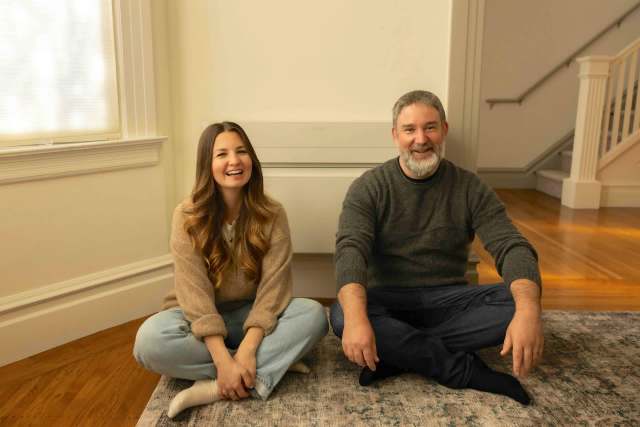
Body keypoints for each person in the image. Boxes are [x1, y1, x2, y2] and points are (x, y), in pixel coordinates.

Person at [330, 90, 543, 405]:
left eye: (429, 127)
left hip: (451, 301)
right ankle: (461, 370)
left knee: (522, 302)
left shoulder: (470, 187)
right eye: (409, 130)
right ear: (395, 136)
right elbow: (351, 252)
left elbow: (511, 246)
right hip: (388, 300)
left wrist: (527, 311)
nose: (420, 139)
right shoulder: (369, 187)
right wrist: (358, 318)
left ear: (444, 130)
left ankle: (399, 354)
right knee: (344, 315)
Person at [134, 121, 328, 418]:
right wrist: (223, 360)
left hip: (251, 317)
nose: (234, 161)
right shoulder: (186, 215)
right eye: (222, 154)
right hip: (196, 318)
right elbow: (193, 293)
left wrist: (249, 349)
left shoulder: (272, 213)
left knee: (314, 315)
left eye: (241, 151)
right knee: (149, 342)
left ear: (252, 159)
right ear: (207, 165)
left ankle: (214, 386)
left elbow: (273, 290)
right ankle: (265, 367)